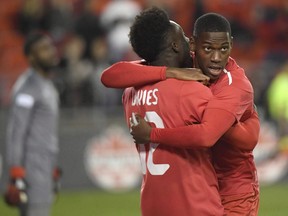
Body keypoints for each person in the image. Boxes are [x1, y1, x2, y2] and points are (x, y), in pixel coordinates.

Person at [101, 13, 260, 215]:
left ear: (231, 45)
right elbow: (110, 75)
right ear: (192, 45)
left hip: (233, 189)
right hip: (201, 186)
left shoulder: (234, 85)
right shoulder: (184, 64)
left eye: (224, 49)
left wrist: (152, 134)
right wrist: (169, 72)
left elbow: (237, 139)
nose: (216, 58)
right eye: (208, 48)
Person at [122, 7, 223, 216]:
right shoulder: (193, 91)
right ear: (175, 46)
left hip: (152, 206)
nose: (189, 43)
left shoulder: (129, 93)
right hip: (195, 205)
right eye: (185, 38)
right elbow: (227, 139)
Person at [4, 32, 61, 216]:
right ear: (31, 57)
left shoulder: (47, 86)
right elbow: (16, 131)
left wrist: (52, 167)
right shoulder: (27, 88)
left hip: (44, 168)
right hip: (30, 170)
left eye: (50, 47)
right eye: (43, 50)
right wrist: (16, 171)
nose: (51, 52)